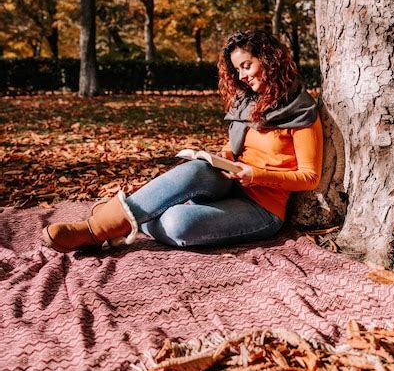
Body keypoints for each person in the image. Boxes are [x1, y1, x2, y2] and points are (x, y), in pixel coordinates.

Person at [42, 29, 323, 253]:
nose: (242, 76)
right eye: (238, 70)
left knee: (176, 223)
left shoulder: (300, 109)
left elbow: (309, 177)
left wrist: (256, 175)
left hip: (262, 208)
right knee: (196, 169)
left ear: (269, 59)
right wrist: (222, 158)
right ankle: (94, 229)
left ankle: (125, 217)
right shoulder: (248, 101)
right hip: (232, 182)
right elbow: (237, 147)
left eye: (247, 66)